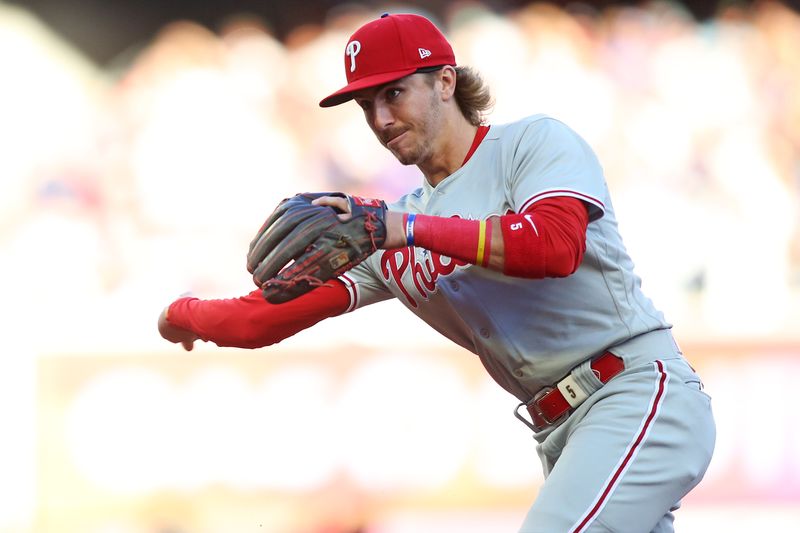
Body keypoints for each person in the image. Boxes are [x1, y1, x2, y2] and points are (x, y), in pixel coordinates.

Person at [158, 13, 715, 532]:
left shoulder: (530, 144)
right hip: (563, 431)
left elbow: (553, 247)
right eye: (366, 104)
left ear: (445, 82)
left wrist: (406, 229)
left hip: (636, 392)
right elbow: (264, 319)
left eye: (394, 93)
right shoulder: (389, 226)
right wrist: (181, 314)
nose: (379, 119)